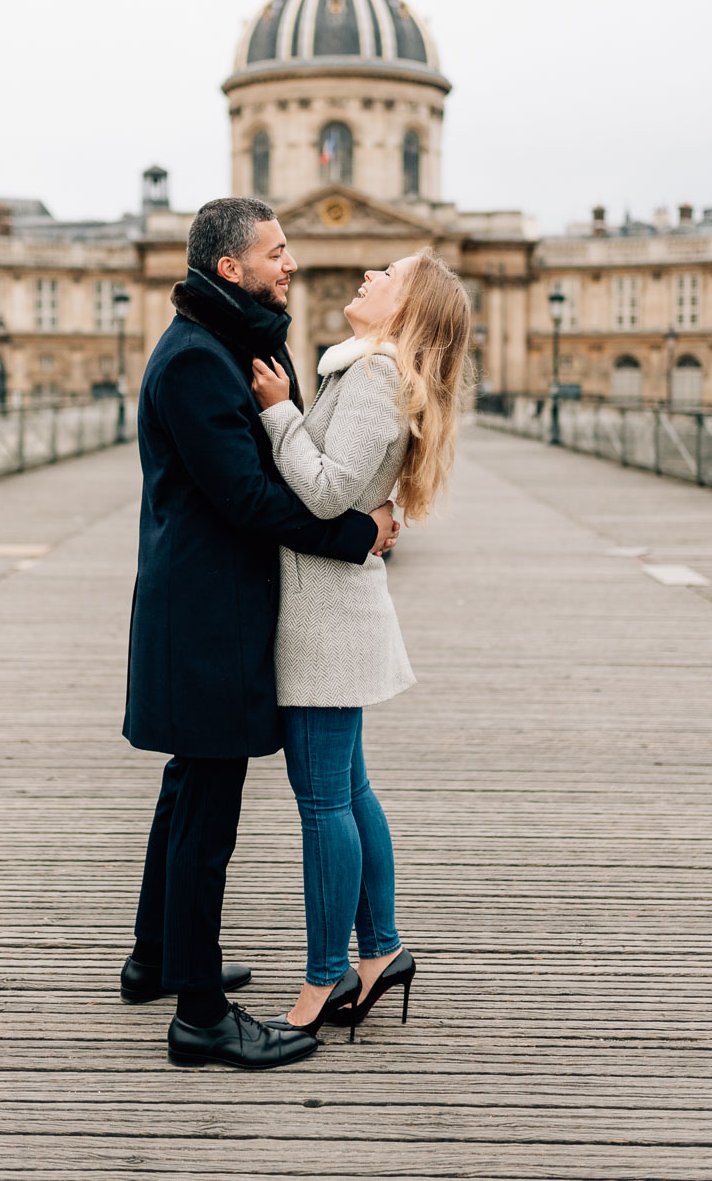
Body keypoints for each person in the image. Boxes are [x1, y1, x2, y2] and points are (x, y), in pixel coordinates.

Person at [121, 197, 400, 1071]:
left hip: (205, 606)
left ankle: (159, 960)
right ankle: (202, 1017)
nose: (292, 263)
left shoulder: (229, 342)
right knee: (209, 814)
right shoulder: (201, 360)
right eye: (276, 252)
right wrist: (358, 534)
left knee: (185, 792)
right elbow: (246, 497)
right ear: (229, 268)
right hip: (210, 618)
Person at [250, 248, 471, 1037]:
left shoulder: (374, 376)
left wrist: (279, 408)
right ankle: (378, 951)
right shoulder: (369, 371)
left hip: (324, 617)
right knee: (349, 794)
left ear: (408, 309)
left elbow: (325, 491)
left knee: (321, 803)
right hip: (337, 608)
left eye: (391, 275)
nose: (370, 276)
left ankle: (324, 979)